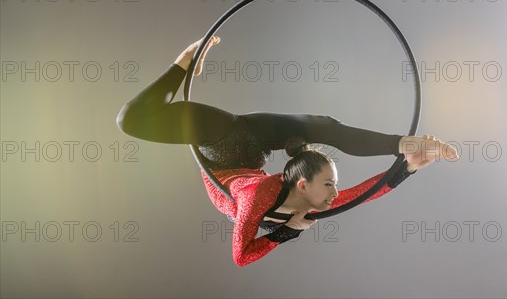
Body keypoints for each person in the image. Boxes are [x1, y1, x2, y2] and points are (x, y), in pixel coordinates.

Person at [116, 36, 458, 267]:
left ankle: (405, 145)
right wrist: (407, 169)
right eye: (330, 185)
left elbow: (241, 253)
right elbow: (365, 194)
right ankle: (185, 64)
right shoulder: (309, 203)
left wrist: (287, 231)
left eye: (331, 186)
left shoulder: (268, 197)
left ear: (303, 186)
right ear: (303, 185)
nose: (336, 194)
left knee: (133, 121)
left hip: (222, 152)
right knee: (130, 120)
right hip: (244, 142)